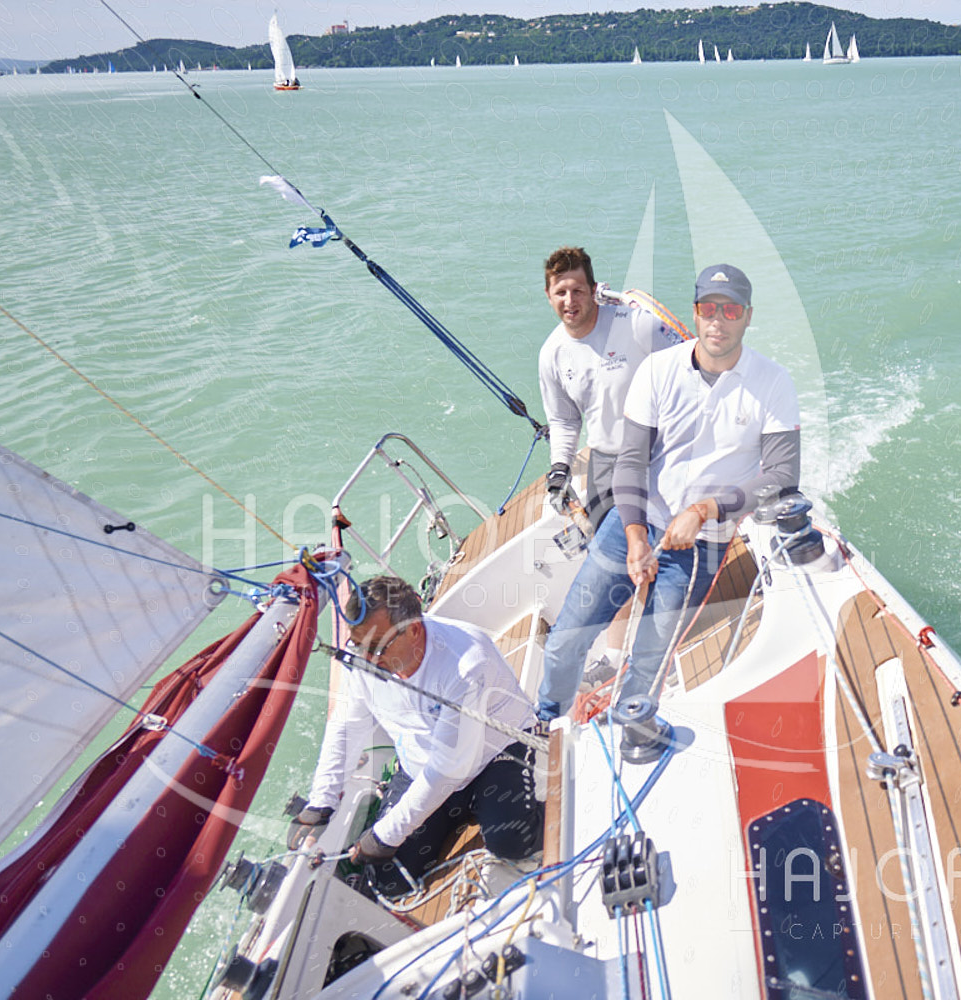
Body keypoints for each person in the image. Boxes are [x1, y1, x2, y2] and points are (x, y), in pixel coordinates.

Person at [536, 263, 801, 721]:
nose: (718, 320)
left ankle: (628, 731)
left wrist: (705, 510)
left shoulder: (774, 383)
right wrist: (636, 536)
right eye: (708, 309)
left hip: (702, 545)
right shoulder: (658, 370)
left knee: (648, 662)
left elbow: (782, 474)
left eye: (731, 310)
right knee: (565, 639)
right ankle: (546, 720)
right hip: (634, 522)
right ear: (695, 313)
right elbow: (631, 461)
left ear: (748, 316)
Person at [290, 575, 541, 897]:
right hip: (421, 768)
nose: (367, 660)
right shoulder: (363, 659)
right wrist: (321, 802)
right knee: (387, 879)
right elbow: (347, 727)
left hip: (494, 756)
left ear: (414, 630)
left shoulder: (466, 664)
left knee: (512, 841)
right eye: (358, 646)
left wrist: (385, 835)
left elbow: (448, 766)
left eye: (377, 648)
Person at [538, 246, 679, 532]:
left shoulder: (638, 325)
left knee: (671, 541)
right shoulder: (551, 354)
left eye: (578, 291)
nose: (569, 301)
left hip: (659, 454)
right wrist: (560, 468)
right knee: (603, 542)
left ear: (593, 290)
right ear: (548, 295)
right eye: (560, 293)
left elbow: (690, 374)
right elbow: (565, 420)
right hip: (604, 461)